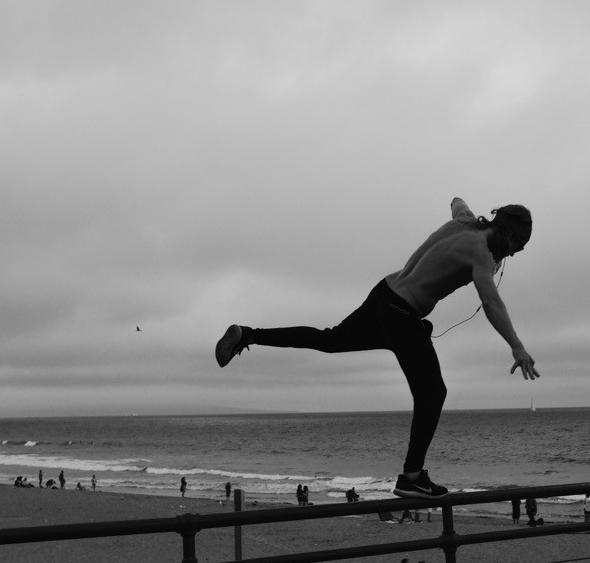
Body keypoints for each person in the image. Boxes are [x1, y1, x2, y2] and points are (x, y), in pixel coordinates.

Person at [215, 198, 538, 500]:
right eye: (517, 247)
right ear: (509, 233)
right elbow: (491, 301)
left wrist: (470, 212)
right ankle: (412, 477)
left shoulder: (465, 223)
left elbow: (457, 202)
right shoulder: (480, 252)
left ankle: (249, 335)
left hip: (384, 295)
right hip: (402, 314)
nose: (513, 254)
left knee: (329, 340)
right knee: (433, 392)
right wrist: (517, 347)